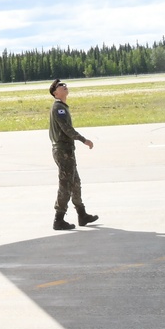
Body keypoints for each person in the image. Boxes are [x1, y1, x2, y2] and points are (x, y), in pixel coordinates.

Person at [49, 79, 98, 230]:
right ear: (55, 93)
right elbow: (66, 129)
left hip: (67, 150)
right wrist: (84, 140)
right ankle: (59, 219)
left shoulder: (62, 106)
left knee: (75, 182)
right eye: (60, 86)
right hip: (62, 151)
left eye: (64, 85)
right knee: (66, 184)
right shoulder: (58, 108)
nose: (64, 86)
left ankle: (82, 215)